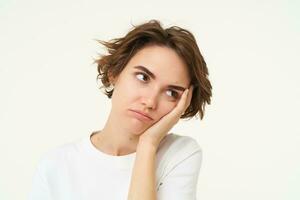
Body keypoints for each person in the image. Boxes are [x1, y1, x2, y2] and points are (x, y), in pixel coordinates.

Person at [29, 19, 212, 200]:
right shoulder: (56, 165)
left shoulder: (179, 154)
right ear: (115, 73)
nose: (150, 101)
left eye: (171, 92)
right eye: (143, 77)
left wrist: (148, 144)